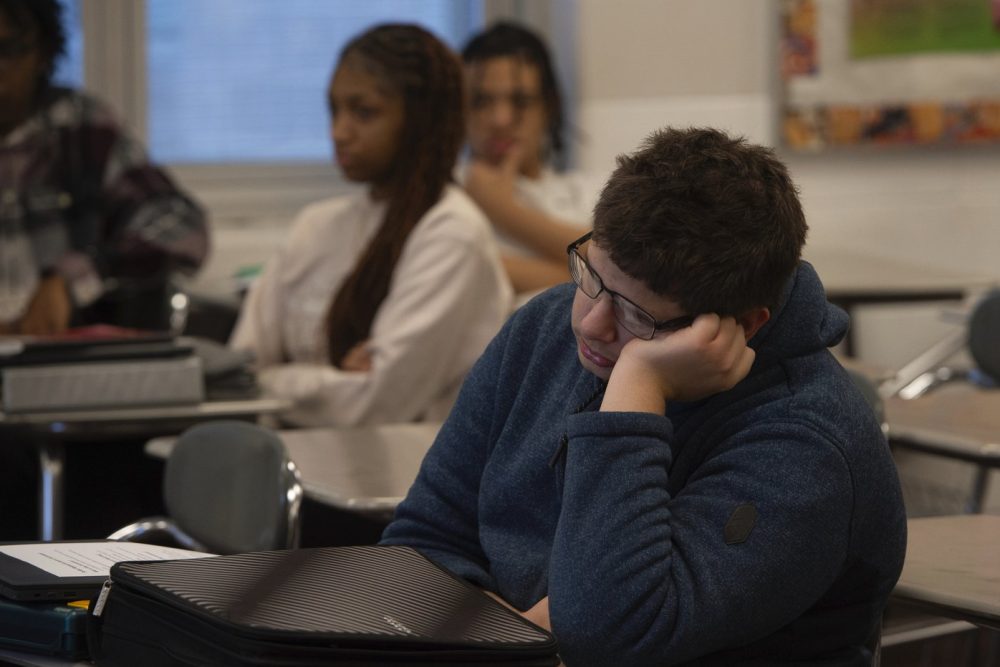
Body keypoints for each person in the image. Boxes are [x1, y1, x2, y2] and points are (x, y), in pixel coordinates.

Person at [382, 127, 907, 665]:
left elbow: (605, 635)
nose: (591, 323)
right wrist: (512, 637)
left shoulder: (806, 448)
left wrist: (636, 387)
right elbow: (420, 541)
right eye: (591, 274)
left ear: (744, 325)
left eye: (638, 316)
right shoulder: (543, 329)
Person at [229, 24, 512, 428]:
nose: (339, 132)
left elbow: (375, 404)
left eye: (363, 112)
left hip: (404, 466)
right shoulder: (315, 224)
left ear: (419, 121)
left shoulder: (452, 231)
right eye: (334, 110)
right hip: (295, 457)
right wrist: (329, 379)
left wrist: (277, 380)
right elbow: (238, 370)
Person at [0, 0, 208, 335]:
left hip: (73, 355)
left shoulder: (80, 129)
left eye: (8, 50)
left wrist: (80, 275)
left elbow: (181, 227)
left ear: (43, 52)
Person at [461, 21, 599, 298]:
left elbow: (627, 273)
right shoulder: (441, 198)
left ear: (549, 105)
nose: (501, 120)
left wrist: (504, 211)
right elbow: (604, 283)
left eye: (520, 101)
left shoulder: (590, 193)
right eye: (481, 101)